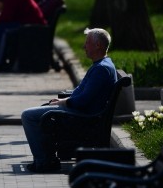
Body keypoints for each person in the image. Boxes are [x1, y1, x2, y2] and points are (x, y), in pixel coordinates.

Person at [20, 28, 118, 173]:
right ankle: (48, 158)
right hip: (80, 111)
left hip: (84, 116)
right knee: (40, 112)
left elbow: (83, 101)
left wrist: (62, 102)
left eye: (87, 42)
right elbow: (83, 93)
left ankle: (44, 162)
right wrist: (65, 99)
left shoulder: (101, 69)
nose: (84, 46)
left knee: (27, 115)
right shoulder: (102, 65)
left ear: (98, 46)